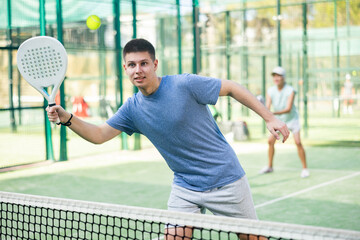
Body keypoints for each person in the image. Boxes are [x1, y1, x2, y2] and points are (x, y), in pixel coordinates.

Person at [47, 39, 289, 239]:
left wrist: (270, 118)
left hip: (224, 179)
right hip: (185, 187)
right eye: (131, 65)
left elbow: (233, 87)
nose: (138, 70)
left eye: (143, 63)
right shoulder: (132, 108)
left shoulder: (184, 84)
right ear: (125, 69)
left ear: (155, 64)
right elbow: (99, 135)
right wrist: (67, 117)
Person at [260, 66, 309, 178]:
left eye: (279, 76)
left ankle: (305, 168)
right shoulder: (270, 91)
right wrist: (265, 111)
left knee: (298, 142)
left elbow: (288, 109)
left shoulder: (290, 90)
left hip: (292, 119)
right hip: (279, 121)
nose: (276, 78)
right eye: (274, 76)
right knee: (270, 141)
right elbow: (267, 107)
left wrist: (272, 113)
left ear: (283, 78)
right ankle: (270, 166)